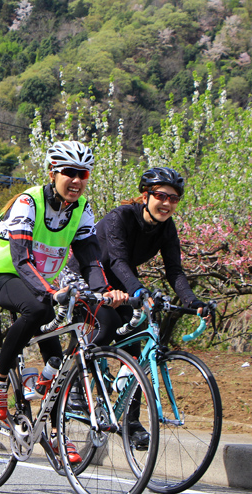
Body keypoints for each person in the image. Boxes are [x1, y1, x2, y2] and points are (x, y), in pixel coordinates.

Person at [0, 141, 127, 463]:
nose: (76, 181)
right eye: (69, 173)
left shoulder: (82, 209)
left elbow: (90, 259)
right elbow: (21, 258)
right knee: (40, 308)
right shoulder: (29, 202)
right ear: (53, 172)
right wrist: (50, 293)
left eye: (82, 174)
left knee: (58, 360)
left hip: (38, 281)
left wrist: (104, 291)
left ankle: (54, 431)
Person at [88, 166, 211, 448]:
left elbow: (174, 271)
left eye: (174, 198)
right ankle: (78, 390)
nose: (167, 203)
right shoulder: (121, 217)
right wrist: (139, 290)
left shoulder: (166, 228)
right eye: (160, 196)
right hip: (91, 275)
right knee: (105, 324)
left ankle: (130, 421)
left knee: (139, 344)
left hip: (123, 280)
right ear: (145, 195)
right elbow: (116, 261)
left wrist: (193, 301)